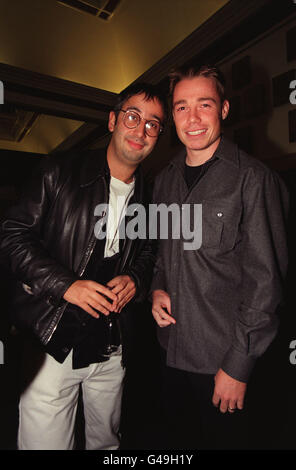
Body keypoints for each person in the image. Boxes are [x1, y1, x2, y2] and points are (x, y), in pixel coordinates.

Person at [0, 82, 166, 450]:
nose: (141, 130)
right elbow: (12, 237)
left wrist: (136, 278)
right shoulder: (58, 170)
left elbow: (150, 251)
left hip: (112, 343)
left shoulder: (152, 196)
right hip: (52, 339)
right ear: (112, 120)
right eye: (133, 117)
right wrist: (66, 285)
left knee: (107, 442)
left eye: (153, 124)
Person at [151, 65, 289, 449]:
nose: (192, 118)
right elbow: (162, 255)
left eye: (204, 104)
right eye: (181, 107)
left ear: (224, 110)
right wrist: (157, 288)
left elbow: (266, 284)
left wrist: (238, 366)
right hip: (170, 351)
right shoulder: (163, 180)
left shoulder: (254, 180)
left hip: (222, 363)